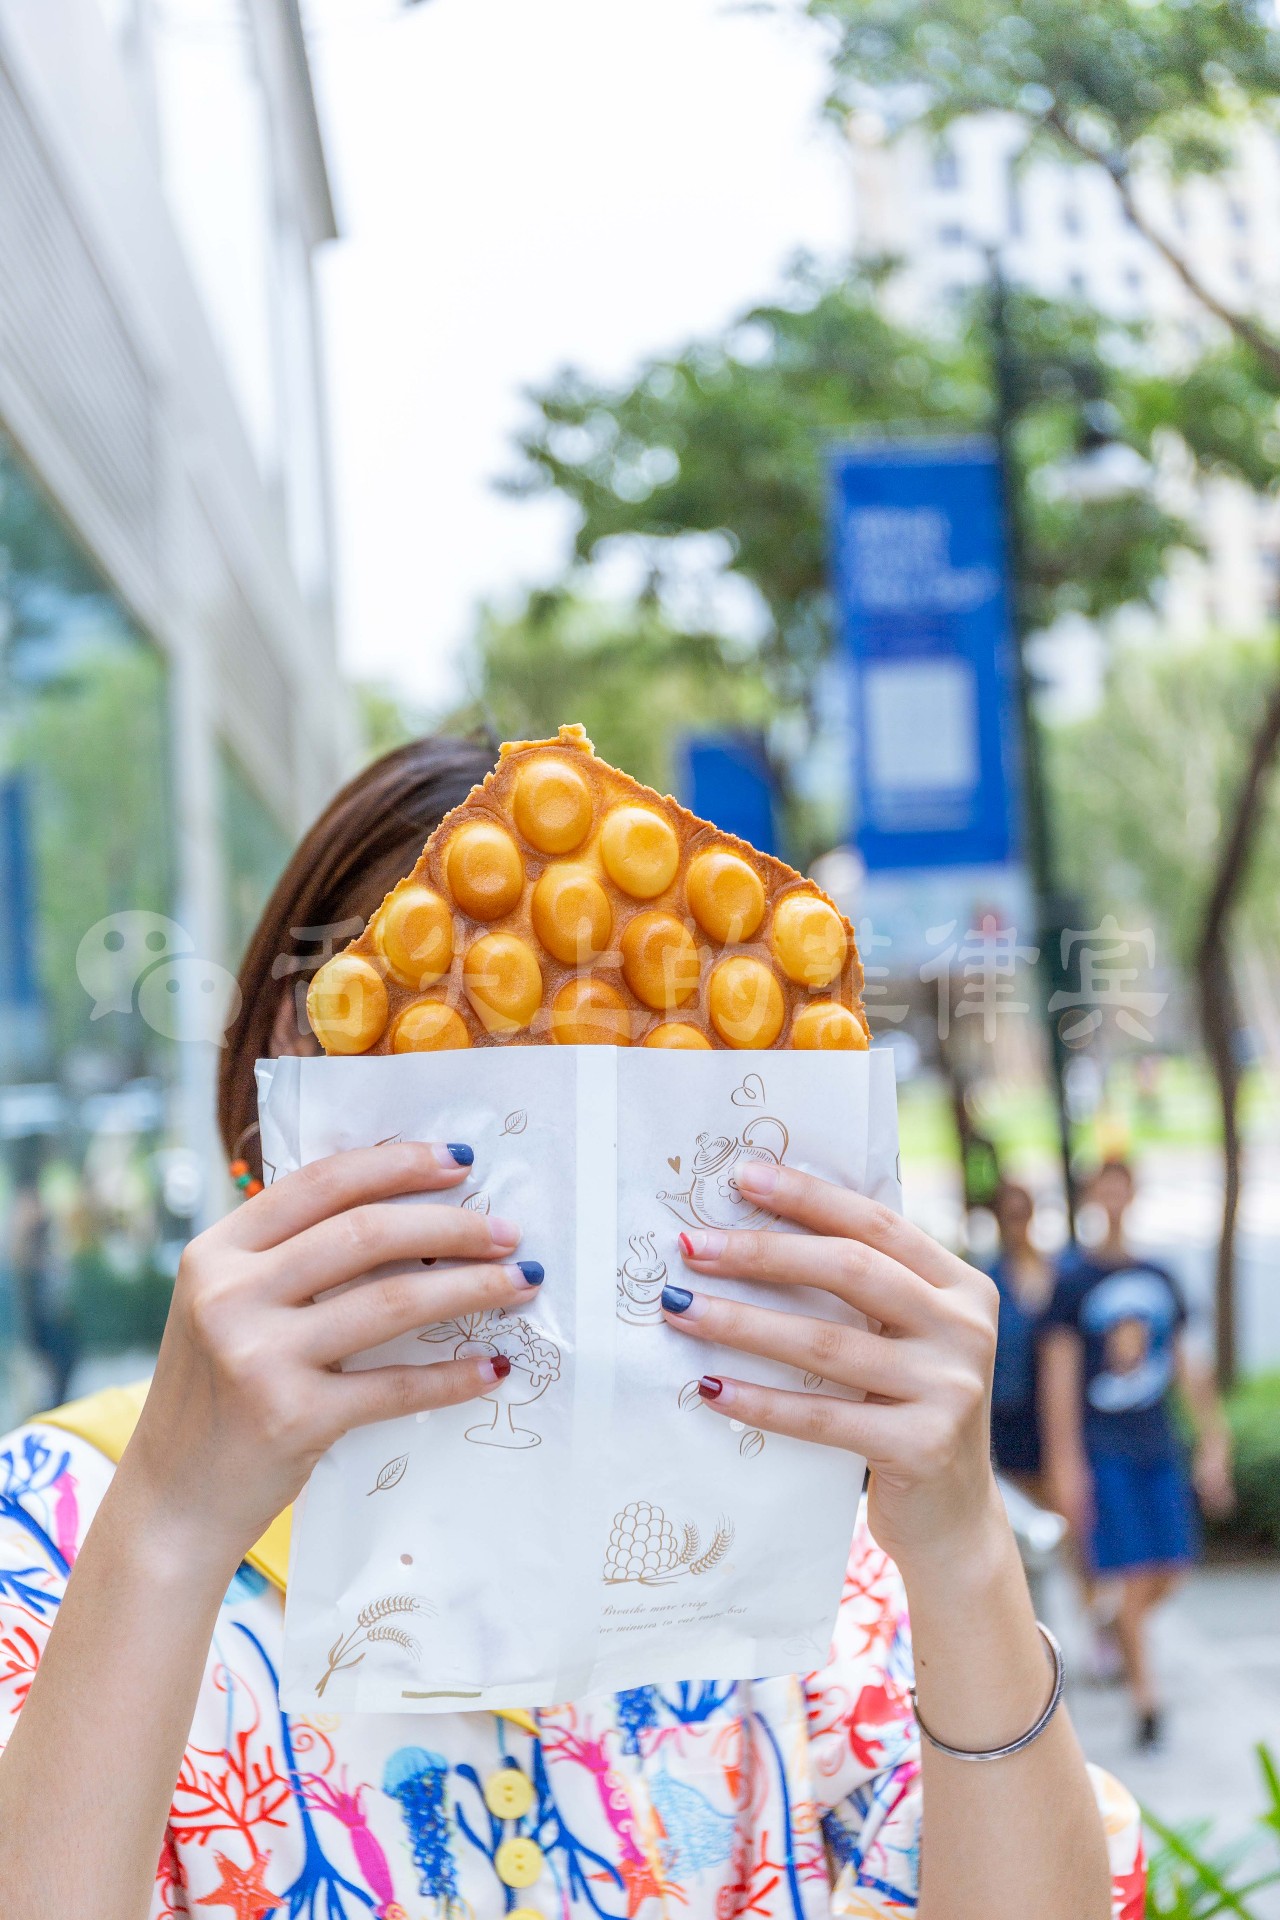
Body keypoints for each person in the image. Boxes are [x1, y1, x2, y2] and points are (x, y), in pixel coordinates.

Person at [0, 737, 1145, 1920]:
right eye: (471, 1091)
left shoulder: (811, 1556)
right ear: (286, 1077)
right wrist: (176, 1525)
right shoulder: (63, 1529)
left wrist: (960, 1553)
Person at [1040, 1157, 1233, 1749]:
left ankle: (1112, 1624)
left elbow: (1187, 1364)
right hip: (1106, 1451)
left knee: (1172, 1568)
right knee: (1128, 1573)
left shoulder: (1160, 1275)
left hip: (1159, 1444)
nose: (1115, 1196)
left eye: (1124, 1186)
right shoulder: (1074, 1282)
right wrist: (1066, 1465)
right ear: (1094, 1195)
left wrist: (1213, 1443)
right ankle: (1147, 1702)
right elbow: (1059, 1377)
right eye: (1106, 1186)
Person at [986, 1181, 1053, 1494]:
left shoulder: (1054, 1272)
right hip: (1009, 1411)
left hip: (1052, 1404)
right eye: (1009, 1216)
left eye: (1022, 1214)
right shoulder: (990, 1280)